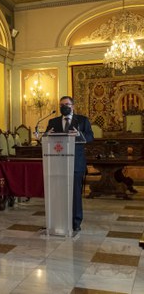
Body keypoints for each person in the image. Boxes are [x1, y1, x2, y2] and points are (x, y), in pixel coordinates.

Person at [45, 95, 94, 232]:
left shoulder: (82, 120)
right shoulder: (53, 121)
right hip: (57, 162)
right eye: (61, 105)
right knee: (58, 193)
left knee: (75, 194)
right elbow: (46, 137)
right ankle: (59, 220)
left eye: (66, 104)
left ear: (73, 106)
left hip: (76, 163)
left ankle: (76, 221)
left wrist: (79, 134)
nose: (64, 107)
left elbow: (90, 137)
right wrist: (45, 135)